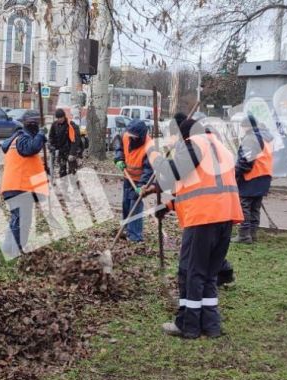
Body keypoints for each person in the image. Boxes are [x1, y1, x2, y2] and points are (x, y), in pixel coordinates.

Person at [149, 118, 243, 339]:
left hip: (203, 219)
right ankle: (211, 325)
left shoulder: (195, 144)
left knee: (192, 272)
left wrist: (155, 157)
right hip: (225, 217)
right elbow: (202, 185)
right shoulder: (221, 149)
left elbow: (175, 173)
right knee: (210, 273)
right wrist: (169, 205)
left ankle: (188, 326)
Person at [0, 118, 49, 257]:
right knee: (21, 219)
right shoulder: (22, 140)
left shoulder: (17, 141)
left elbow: (30, 164)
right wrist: (41, 134)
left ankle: (9, 248)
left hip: (17, 187)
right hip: (18, 187)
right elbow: (32, 148)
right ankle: (17, 252)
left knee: (19, 218)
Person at [233, 117, 274, 244]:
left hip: (251, 177)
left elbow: (246, 161)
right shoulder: (265, 137)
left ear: (247, 126)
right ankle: (252, 233)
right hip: (264, 176)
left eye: (242, 127)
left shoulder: (251, 138)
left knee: (245, 206)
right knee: (255, 208)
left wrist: (235, 174)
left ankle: (244, 235)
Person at [113, 118, 154, 242]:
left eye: (134, 137)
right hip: (128, 177)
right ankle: (126, 230)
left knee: (135, 207)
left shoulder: (150, 146)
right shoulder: (126, 135)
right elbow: (119, 147)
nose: (130, 138)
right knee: (126, 203)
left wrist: (142, 185)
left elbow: (148, 169)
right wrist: (119, 159)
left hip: (140, 181)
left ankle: (135, 236)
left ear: (140, 136)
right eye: (129, 135)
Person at [47, 109, 83, 179]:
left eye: (60, 118)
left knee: (72, 171)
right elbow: (51, 137)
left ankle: (74, 187)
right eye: (57, 118)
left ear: (64, 116)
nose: (59, 119)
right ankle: (64, 187)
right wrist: (51, 145)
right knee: (62, 171)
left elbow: (75, 141)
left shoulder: (71, 125)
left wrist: (72, 153)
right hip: (61, 151)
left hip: (71, 150)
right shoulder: (55, 125)